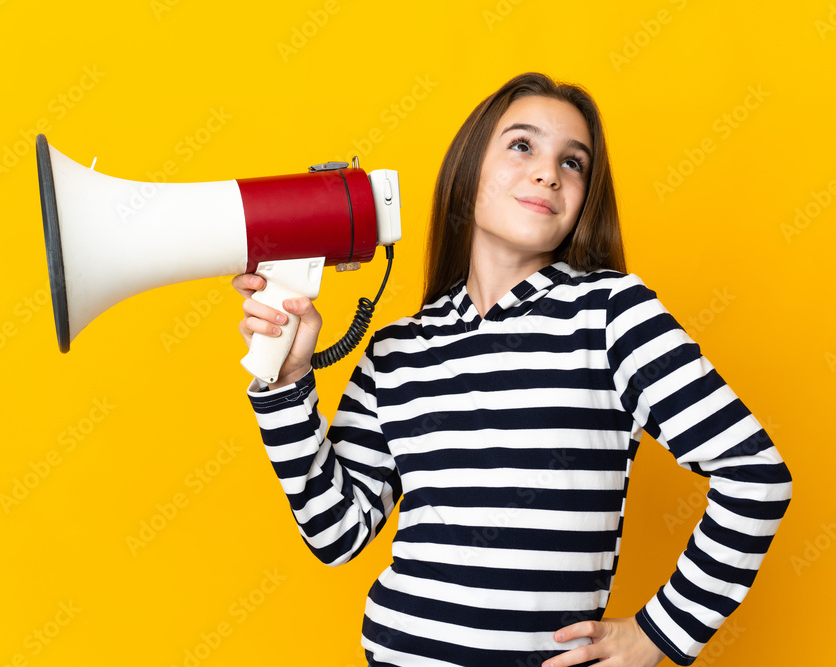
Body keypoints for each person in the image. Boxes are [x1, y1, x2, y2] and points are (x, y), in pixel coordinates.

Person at [233, 72, 792, 667]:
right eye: (522, 145)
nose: (549, 172)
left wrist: (660, 634)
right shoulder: (397, 349)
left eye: (573, 163)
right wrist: (287, 385)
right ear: (469, 169)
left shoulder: (612, 314)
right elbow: (336, 532)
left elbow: (755, 475)